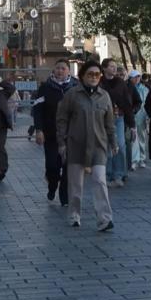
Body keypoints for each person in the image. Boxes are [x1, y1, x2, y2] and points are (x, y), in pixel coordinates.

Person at [55, 60, 116, 231]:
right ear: (82, 76)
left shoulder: (104, 96)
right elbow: (62, 119)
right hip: (76, 144)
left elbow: (110, 123)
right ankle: (74, 214)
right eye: (90, 74)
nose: (94, 77)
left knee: (99, 181)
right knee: (76, 184)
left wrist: (113, 142)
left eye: (97, 74)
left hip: (99, 145)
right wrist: (62, 142)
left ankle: (104, 218)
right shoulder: (72, 95)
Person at [33, 59, 78, 205]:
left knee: (67, 168)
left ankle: (64, 197)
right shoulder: (45, 87)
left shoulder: (76, 87)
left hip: (71, 134)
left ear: (68, 71)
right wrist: (39, 130)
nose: (60, 71)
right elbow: (38, 110)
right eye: (57, 68)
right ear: (54, 70)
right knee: (52, 165)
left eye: (63, 68)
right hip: (51, 134)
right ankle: (52, 185)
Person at [99, 58, 136, 187]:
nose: (114, 68)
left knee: (120, 144)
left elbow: (127, 103)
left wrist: (132, 125)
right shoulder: (99, 82)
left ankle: (118, 174)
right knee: (107, 147)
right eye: (111, 66)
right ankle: (107, 175)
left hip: (118, 117)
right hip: (103, 119)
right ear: (104, 68)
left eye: (115, 66)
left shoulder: (120, 82)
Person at [129, 70, 149, 169]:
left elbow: (147, 104)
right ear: (130, 78)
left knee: (141, 138)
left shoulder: (144, 89)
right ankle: (134, 160)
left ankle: (142, 158)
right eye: (134, 77)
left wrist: (148, 116)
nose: (137, 79)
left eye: (138, 77)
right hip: (131, 116)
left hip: (142, 116)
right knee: (133, 138)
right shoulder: (128, 87)